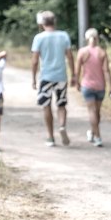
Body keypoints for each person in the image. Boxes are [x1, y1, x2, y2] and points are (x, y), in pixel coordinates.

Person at [31, 10, 76, 147]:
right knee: (61, 105)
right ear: (54, 22)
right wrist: (74, 74)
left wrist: (33, 78)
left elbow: (34, 61)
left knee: (46, 106)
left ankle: (50, 137)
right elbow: (69, 56)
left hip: (46, 76)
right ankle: (62, 125)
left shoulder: (39, 38)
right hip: (61, 75)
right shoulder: (63, 36)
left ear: (42, 23)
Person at [75, 28, 111, 147]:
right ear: (97, 38)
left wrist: (77, 82)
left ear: (87, 38)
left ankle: (97, 137)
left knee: (92, 112)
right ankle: (93, 133)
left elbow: (77, 71)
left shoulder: (82, 52)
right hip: (100, 86)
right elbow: (106, 71)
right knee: (97, 112)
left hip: (87, 85)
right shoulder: (102, 52)